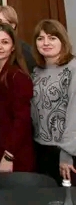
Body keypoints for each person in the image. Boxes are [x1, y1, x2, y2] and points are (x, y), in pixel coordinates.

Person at [31, 19, 76, 183]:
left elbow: (74, 113)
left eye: (52, 38)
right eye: (40, 38)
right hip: (40, 148)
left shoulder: (73, 68)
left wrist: (67, 152)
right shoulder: (36, 71)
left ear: (62, 40)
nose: (46, 43)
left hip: (67, 151)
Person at [0, 23, 35, 173]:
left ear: (13, 47)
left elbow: (22, 120)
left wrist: (9, 155)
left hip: (14, 154)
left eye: (5, 42)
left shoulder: (17, 76)